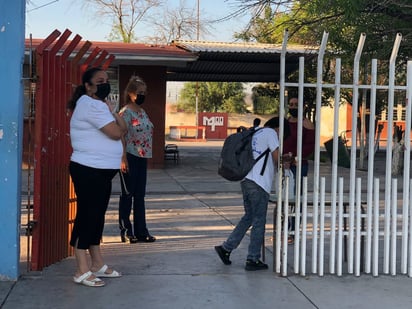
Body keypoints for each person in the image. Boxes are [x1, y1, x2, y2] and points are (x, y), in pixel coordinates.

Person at [67, 67, 127, 287]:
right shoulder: (89, 105)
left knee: (97, 216)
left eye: (107, 80)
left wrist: (112, 112)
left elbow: (124, 127)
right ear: (88, 86)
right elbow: (115, 133)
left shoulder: (100, 106)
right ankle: (81, 269)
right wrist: (113, 118)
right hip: (88, 169)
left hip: (100, 171)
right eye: (99, 81)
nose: (105, 84)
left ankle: (97, 264)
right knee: (87, 216)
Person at [215, 117, 290, 271]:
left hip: (246, 179)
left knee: (249, 217)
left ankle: (226, 248)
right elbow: (278, 160)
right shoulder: (270, 133)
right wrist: (289, 160)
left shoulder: (255, 132)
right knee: (258, 221)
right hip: (259, 183)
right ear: (278, 128)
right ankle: (253, 259)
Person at [118, 75, 156, 243]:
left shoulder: (142, 112)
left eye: (144, 92)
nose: (142, 95)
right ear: (131, 94)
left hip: (143, 156)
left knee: (140, 196)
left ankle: (142, 231)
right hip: (130, 156)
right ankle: (126, 230)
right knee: (128, 194)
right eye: (139, 92)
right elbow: (121, 136)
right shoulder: (125, 113)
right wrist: (123, 158)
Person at [283, 96, 315, 243]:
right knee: (284, 198)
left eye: (296, 104)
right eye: (291, 104)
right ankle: (283, 230)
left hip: (299, 165)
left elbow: (310, 146)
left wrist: (294, 158)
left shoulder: (307, 123)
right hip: (284, 165)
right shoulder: (285, 122)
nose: (293, 107)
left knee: (297, 199)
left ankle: (293, 232)